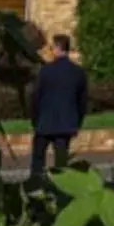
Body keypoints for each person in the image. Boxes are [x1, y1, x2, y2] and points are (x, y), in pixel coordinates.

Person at [30, 33, 90, 185]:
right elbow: (82, 101)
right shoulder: (77, 73)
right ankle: (61, 188)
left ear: (57, 48)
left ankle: (36, 184)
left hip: (44, 122)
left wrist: (34, 119)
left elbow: (36, 97)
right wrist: (78, 122)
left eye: (52, 48)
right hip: (66, 123)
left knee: (38, 158)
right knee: (61, 161)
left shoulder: (46, 71)